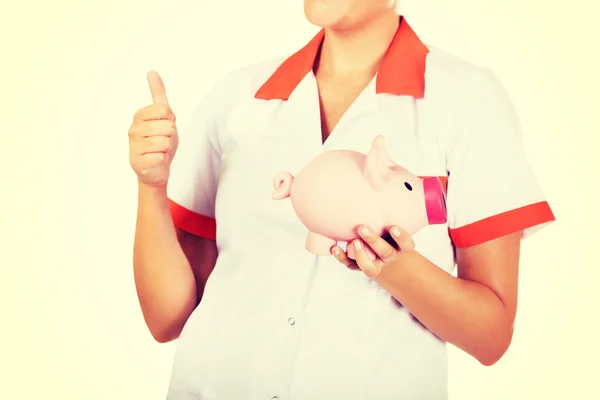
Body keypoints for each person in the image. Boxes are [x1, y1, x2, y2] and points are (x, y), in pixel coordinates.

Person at [128, 1, 555, 398]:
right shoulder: (237, 99)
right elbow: (168, 319)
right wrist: (152, 186)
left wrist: (390, 266)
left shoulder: (465, 98)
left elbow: (490, 336)